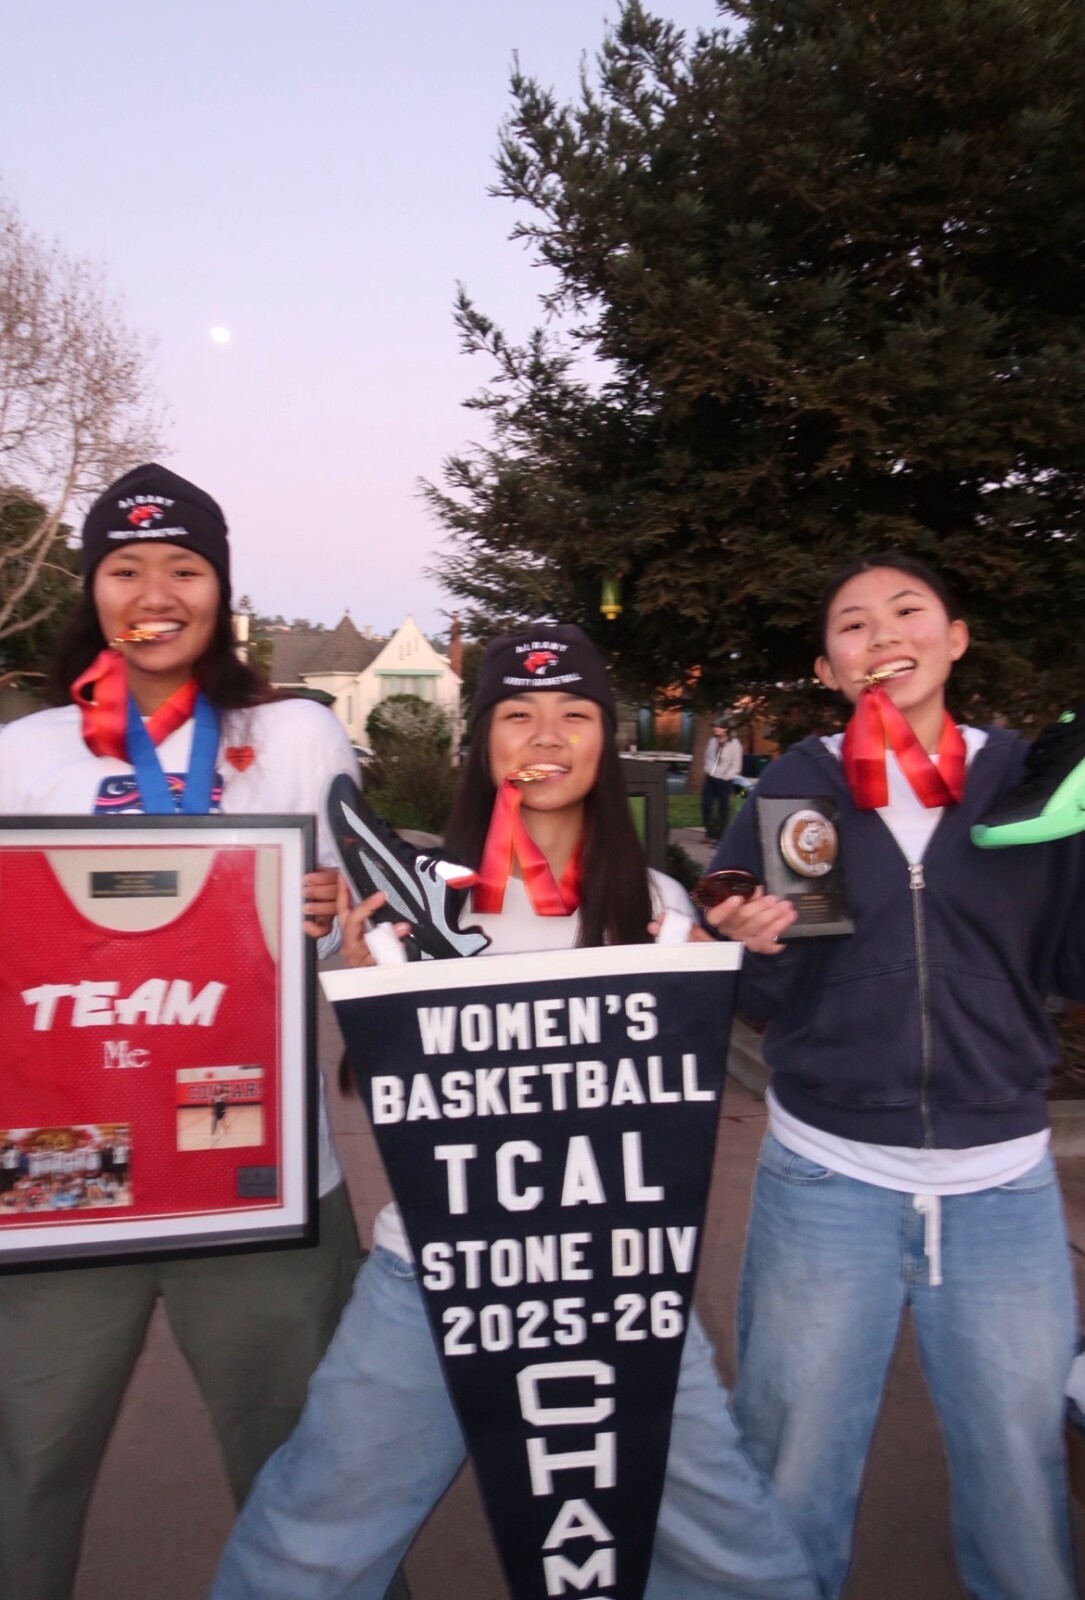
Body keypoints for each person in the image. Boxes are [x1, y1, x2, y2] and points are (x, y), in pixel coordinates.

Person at [212, 624, 818, 1600]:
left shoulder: (660, 909)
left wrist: (730, 963)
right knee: (309, 1541)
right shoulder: (410, 904)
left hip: (617, 1281)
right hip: (436, 1271)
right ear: (482, 739)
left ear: (605, 739)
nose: (545, 735)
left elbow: (676, 1096)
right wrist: (371, 992)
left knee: (731, 1552)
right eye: (516, 713)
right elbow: (386, 1094)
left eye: (574, 713)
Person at [0, 464, 376, 1600]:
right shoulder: (26, 752)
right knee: (27, 1471)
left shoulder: (298, 734)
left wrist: (328, 919)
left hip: (255, 1162)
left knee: (311, 1474)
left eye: (184, 568)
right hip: (66, 1169)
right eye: (126, 568)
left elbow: (366, 945)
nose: (155, 594)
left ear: (221, 586)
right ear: (92, 587)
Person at [704, 552, 1085, 1600]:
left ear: (953, 638)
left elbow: (1068, 965)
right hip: (826, 1176)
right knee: (788, 1458)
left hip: (1002, 1184)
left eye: (907, 611)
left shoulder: (1028, 782)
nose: (882, 636)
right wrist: (748, 943)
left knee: (1021, 1473)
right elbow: (763, 992)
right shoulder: (798, 788)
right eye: (852, 625)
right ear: (828, 668)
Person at [702, 719, 743, 839]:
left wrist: (727, 776)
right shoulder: (712, 741)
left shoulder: (734, 744)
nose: (715, 729)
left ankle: (724, 834)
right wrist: (709, 770)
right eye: (714, 726)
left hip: (725, 780)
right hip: (711, 778)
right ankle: (709, 831)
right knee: (706, 804)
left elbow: (736, 765)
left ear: (726, 729)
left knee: (723, 807)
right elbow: (708, 758)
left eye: (718, 727)